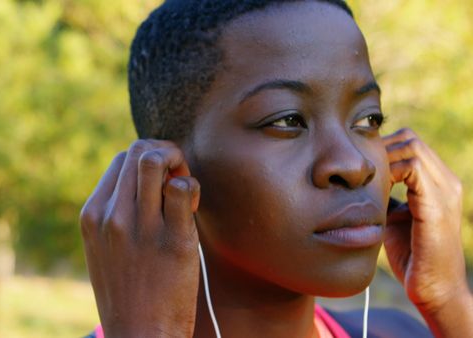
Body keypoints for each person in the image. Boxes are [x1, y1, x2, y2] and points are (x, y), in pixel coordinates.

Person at [79, 0, 473, 336]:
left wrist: (449, 301)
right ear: (169, 171)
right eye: (287, 120)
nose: (354, 165)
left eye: (368, 119)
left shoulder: (401, 330)